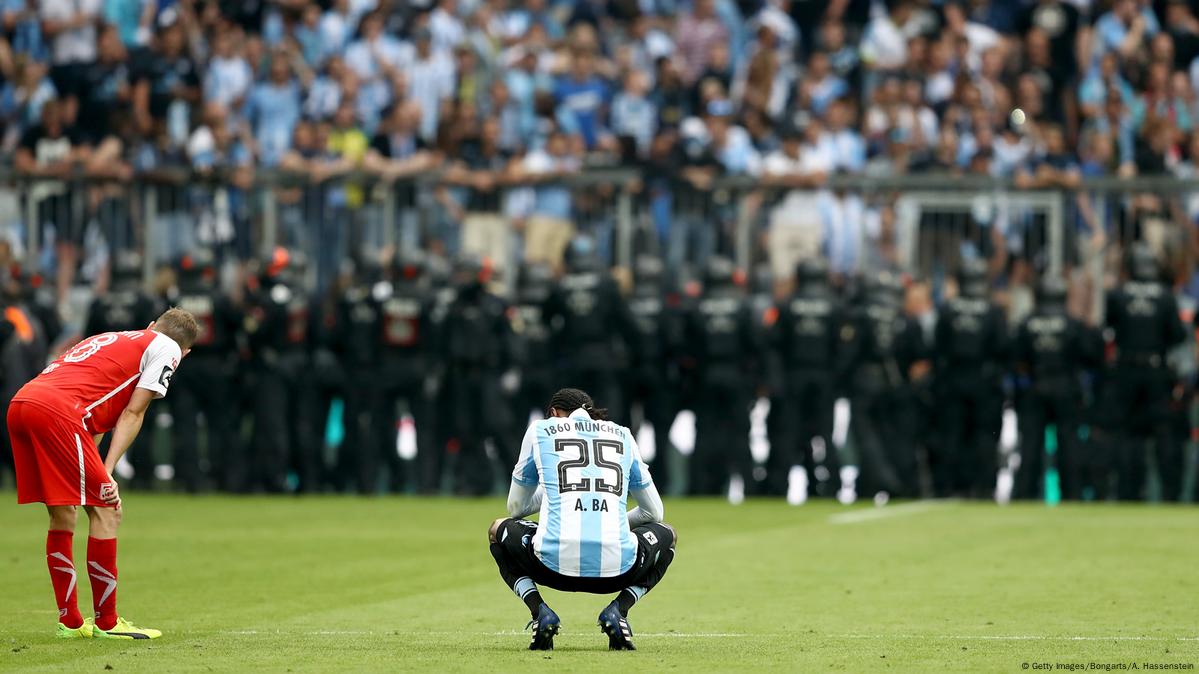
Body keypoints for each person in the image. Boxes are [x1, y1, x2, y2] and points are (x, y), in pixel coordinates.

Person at [8, 307, 199, 639]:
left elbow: (91, 421)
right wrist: (108, 472)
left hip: (23, 404)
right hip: (58, 412)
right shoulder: (167, 347)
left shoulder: (114, 338)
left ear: (150, 324)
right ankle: (108, 623)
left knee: (64, 512)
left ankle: (70, 623)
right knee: (107, 510)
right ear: (185, 353)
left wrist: (97, 470)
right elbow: (133, 412)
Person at [489, 388, 675, 652]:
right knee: (669, 534)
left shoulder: (540, 430)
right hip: (618, 570)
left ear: (553, 413)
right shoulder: (623, 434)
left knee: (497, 529)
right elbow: (653, 513)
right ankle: (618, 611)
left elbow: (516, 507)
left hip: (550, 566)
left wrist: (558, 494)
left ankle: (539, 612)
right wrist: (611, 520)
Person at [1104, 243, 1187, 500]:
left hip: (1126, 371)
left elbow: (1109, 330)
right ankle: (1170, 494)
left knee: (1127, 434)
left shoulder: (1117, 295)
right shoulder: (1165, 296)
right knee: (1164, 433)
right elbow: (1177, 335)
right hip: (1156, 372)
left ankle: (1128, 492)